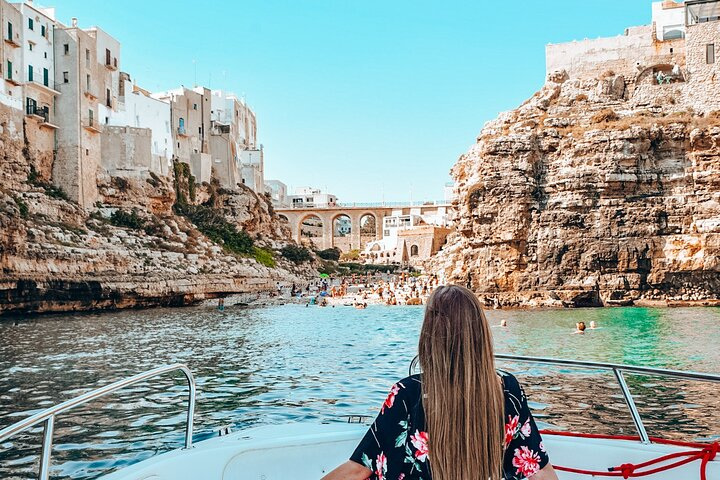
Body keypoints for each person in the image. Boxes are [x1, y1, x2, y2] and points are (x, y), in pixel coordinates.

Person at [322, 285, 557, 480]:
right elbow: (540, 471)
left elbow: (358, 469)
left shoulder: (408, 394)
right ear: (480, 333)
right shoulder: (508, 389)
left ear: (430, 334)